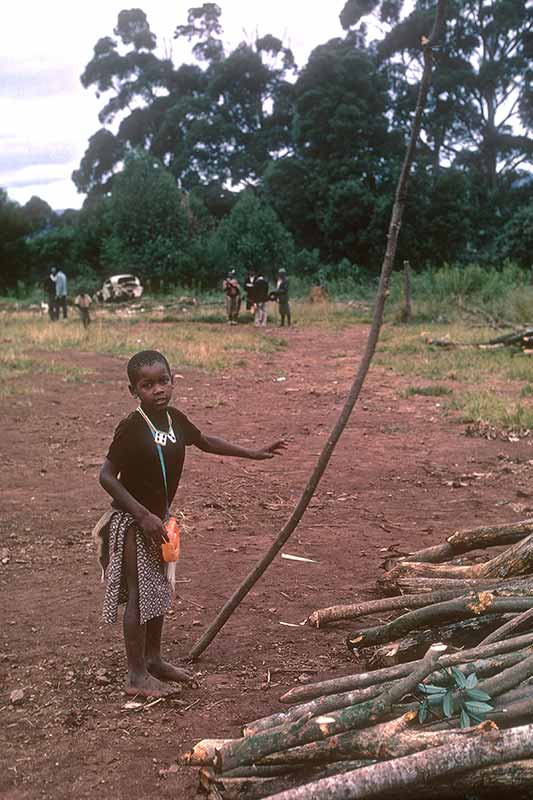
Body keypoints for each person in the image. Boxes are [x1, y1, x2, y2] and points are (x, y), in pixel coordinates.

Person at [96, 350, 286, 697]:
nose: (158, 390)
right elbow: (106, 476)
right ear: (133, 391)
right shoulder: (131, 427)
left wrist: (253, 452)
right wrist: (141, 513)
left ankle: (153, 659)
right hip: (132, 520)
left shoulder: (175, 421)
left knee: (159, 591)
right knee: (140, 596)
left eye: (163, 381)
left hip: (160, 523)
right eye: (147, 385)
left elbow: (207, 443)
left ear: (173, 380)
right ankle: (136, 676)